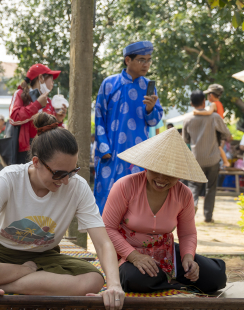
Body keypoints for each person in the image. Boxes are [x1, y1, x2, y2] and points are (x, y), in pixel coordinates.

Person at [0, 112, 124, 310]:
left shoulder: (77, 186)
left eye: (72, 171)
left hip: (44, 256)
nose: (66, 180)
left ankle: (6, 284)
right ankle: (25, 274)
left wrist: (114, 285)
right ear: (36, 162)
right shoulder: (8, 179)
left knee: (93, 280)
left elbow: (102, 243)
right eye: (59, 173)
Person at [103, 128, 227, 293]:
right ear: (146, 166)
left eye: (170, 173)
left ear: (180, 174)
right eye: (156, 170)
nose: (161, 179)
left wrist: (188, 257)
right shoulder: (125, 186)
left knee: (216, 277)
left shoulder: (184, 194)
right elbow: (107, 228)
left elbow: (187, 233)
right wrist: (135, 256)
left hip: (166, 252)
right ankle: (171, 282)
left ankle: (167, 281)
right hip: (127, 255)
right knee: (136, 279)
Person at [94, 41, 163, 214]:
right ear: (127, 60)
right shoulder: (109, 84)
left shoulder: (149, 88)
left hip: (138, 155)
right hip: (111, 153)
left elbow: (155, 121)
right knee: (108, 198)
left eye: (149, 60)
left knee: (136, 199)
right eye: (141, 60)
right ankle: (105, 239)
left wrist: (150, 109)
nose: (146, 64)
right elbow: (99, 116)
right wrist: (104, 148)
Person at [183, 89, 231, 222]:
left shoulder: (187, 119)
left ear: (192, 103)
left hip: (196, 158)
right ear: (204, 102)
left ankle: (191, 209)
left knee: (193, 186)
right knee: (211, 188)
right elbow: (226, 133)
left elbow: (185, 140)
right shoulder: (214, 117)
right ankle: (208, 216)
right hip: (213, 158)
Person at [9, 64, 67, 165]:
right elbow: (14, 118)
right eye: (51, 79)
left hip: (46, 150)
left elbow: (54, 130)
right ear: (41, 78)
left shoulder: (48, 101)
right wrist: (37, 105)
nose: (53, 82)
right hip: (26, 152)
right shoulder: (20, 94)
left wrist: (59, 120)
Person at [192, 84, 230, 167]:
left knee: (218, 146)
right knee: (218, 145)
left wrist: (197, 112)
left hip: (216, 127)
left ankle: (225, 161)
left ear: (211, 95)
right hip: (219, 126)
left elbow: (209, 113)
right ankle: (224, 161)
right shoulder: (219, 103)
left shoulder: (213, 104)